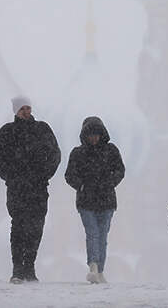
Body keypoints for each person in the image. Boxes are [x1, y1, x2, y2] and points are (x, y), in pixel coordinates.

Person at [0, 96, 61, 283]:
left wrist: (44, 175)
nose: (26, 111)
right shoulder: (7, 132)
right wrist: (10, 177)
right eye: (22, 109)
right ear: (15, 111)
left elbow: (55, 154)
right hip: (17, 188)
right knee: (19, 226)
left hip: (38, 188)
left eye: (28, 108)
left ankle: (29, 265)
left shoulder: (42, 130)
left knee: (36, 226)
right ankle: (17, 268)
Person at [65, 116, 125, 284]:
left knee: (102, 236)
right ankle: (93, 267)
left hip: (106, 202)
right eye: (90, 134)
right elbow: (69, 175)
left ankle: (100, 270)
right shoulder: (77, 153)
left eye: (96, 134)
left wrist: (110, 183)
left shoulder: (111, 150)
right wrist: (82, 186)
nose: (93, 138)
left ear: (102, 133)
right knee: (92, 234)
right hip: (86, 202)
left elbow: (120, 170)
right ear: (84, 135)